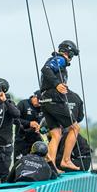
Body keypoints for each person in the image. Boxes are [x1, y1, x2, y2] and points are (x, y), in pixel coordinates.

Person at [39, 39, 82, 170]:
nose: (71, 59)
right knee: (75, 128)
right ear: (68, 52)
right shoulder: (60, 59)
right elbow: (45, 69)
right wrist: (57, 83)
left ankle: (51, 165)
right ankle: (66, 160)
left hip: (44, 99)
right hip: (53, 99)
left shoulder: (57, 60)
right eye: (72, 55)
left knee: (56, 133)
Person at [57, 90, 92, 171]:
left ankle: (66, 161)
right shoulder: (76, 96)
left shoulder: (52, 95)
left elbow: (59, 158)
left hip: (81, 161)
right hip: (85, 161)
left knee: (57, 163)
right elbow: (80, 117)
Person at [14, 91, 44, 162]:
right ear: (34, 97)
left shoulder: (43, 107)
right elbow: (14, 120)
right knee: (19, 163)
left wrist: (41, 128)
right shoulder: (23, 104)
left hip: (36, 140)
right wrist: (29, 123)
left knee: (36, 163)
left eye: (41, 103)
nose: (39, 105)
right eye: (39, 102)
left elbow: (46, 123)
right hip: (21, 139)